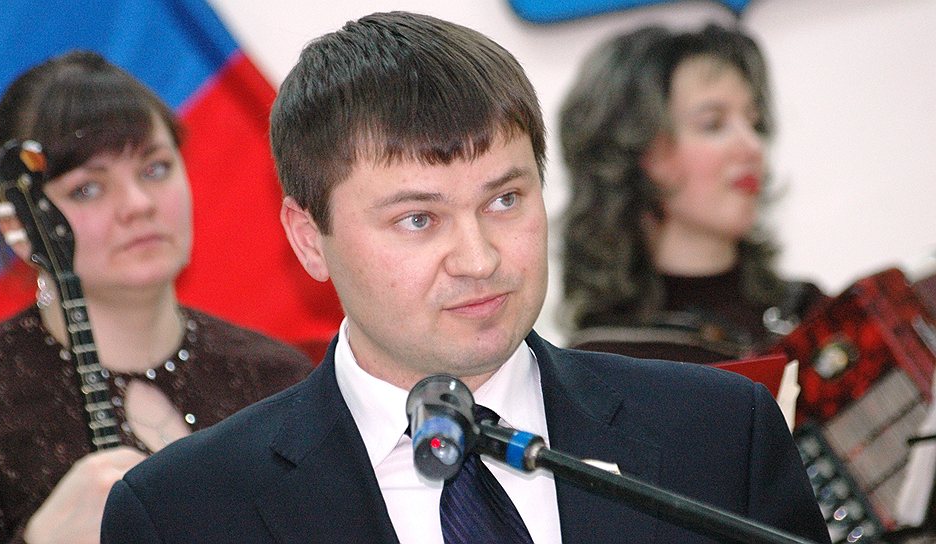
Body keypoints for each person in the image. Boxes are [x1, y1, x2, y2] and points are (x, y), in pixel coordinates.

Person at [100, 12, 830, 543]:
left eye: (505, 200)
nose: (479, 259)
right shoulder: (185, 512)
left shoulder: (718, 434)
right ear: (308, 239)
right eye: (418, 218)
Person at [0, 51, 313, 544]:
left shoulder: (279, 380)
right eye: (87, 189)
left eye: (154, 169)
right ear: (16, 226)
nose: (137, 204)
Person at [559, 24, 825, 363]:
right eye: (713, 124)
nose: (752, 146)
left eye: (754, 122)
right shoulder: (603, 364)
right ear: (635, 151)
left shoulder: (812, 316)